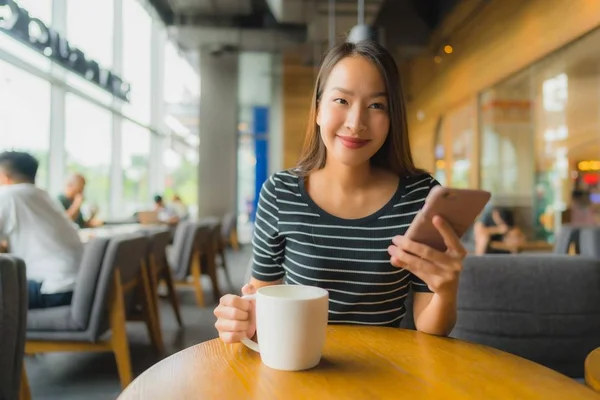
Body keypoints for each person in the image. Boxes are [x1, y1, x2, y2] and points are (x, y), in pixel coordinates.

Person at [214, 41, 467, 342]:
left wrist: (446, 290)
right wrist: (239, 319)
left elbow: (430, 326)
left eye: (376, 105)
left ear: (392, 118)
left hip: (387, 373)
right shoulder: (280, 194)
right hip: (301, 369)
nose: (356, 123)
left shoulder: (421, 197)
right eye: (341, 101)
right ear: (318, 109)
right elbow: (262, 302)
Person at [0, 151, 84, 309]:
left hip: (52, 289)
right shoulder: (43, 196)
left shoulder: (8, 194)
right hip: (77, 288)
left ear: (4, 176)